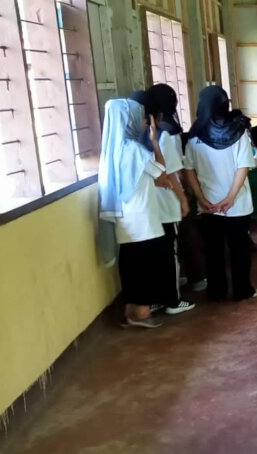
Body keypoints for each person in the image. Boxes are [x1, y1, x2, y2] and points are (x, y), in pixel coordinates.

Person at [98, 98, 171, 328]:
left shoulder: (110, 151)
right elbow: (160, 172)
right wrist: (154, 142)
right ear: (128, 120)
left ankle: (131, 310)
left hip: (124, 219)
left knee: (131, 264)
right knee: (147, 266)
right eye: (140, 117)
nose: (142, 122)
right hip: (142, 219)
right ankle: (141, 312)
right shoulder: (134, 150)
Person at [183, 86, 257, 302]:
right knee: (239, 250)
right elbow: (242, 167)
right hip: (237, 205)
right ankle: (242, 290)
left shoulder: (195, 135)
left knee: (213, 252)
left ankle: (216, 292)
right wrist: (230, 198)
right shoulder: (237, 132)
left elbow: (189, 170)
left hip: (208, 206)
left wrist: (201, 199)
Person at [145, 84, 195, 315]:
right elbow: (173, 173)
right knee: (169, 250)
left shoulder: (145, 131)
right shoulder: (168, 133)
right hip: (167, 199)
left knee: (155, 251)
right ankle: (172, 300)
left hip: (148, 201)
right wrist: (183, 199)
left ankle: (156, 297)